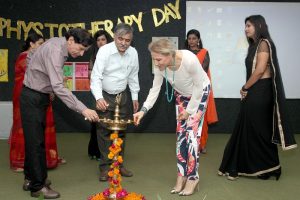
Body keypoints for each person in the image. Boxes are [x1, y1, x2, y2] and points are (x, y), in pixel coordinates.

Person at [20, 28, 99, 199]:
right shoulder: (56, 50)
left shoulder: (56, 42)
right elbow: (58, 87)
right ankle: (37, 186)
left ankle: (30, 178)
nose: (80, 54)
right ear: (70, 40)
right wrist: (83, 109)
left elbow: (31, 56)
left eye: (84, 51)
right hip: (33, 97)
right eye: (80, 49)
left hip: (36, 94)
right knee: (36, 143)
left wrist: (42, 81)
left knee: (34, 140)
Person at [218, 15, 297, 181]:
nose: (246, 28)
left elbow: (260, 70)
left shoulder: (263, 43)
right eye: (245, 26)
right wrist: (247, 88)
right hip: (256, 91)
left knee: (258, 129)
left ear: (258, 25)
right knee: (254, 129)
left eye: (249, 25)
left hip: (261, 91)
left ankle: (267, 166)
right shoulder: (254, 45)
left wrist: (245, 87)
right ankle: (265, 167)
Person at [133, 38, 210, 196]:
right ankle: (181, 175)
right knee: (181, 137)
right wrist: (143, 110)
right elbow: (155, 89)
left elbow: (198, 87)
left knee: (191, 136)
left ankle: (193, 177)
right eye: (153, 58)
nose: (156, 62)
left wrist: (189, 111)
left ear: (170, 54)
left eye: (159, 59)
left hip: (200, 94)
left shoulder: (189, 59)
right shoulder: (160, 65)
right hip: (182, 96)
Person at [90, 23, 140, 182]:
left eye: (128, 40)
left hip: (122, 96)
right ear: (114, 36)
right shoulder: (104, 51)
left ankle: (118, 164)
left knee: (121, 131)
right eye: (120, 39)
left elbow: (133, 76)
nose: (124, 43)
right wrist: (98, 98)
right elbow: (96, 76)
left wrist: (134, 97)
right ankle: (105, 167)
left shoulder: (133, 53)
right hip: (104, 95)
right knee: (104, 131)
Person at [185, 29, 218, 154]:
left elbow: (203, 69)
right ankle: (190, 144)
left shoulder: (204, 52)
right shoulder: (184, 53)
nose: (192, 41)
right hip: (187, 89)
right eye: (190, 38)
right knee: (189, 117)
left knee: (201, 117)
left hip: (201, 88)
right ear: (187, 40)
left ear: (198, 39)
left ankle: (201, 144)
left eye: (194, 38)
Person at [88, 30, 113, 160]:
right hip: (99, 92)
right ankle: (95, 151)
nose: (100, 42)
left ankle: (112, 151)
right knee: (98, 122)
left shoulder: (114, 54)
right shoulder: (94, 56)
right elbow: (91, 76)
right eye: (98, 40)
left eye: (103, 39)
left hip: (113, 92)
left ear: (108, 40)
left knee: (111, 123)